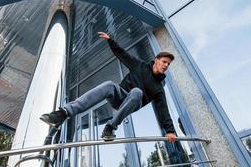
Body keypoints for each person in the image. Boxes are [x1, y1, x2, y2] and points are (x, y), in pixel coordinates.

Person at [40, 31, 177, 142]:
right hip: (120, 95)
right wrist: (110, 41)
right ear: (156, 60)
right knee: (109, 85)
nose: (166, 65)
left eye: (168, 64)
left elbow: (163, 109)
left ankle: (110, 127)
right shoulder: (140, 66)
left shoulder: (158, 87)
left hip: (133, 101)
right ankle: (64, 113)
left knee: (136, 92)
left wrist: (170, 131)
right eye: (164, 62)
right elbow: (123, 55)